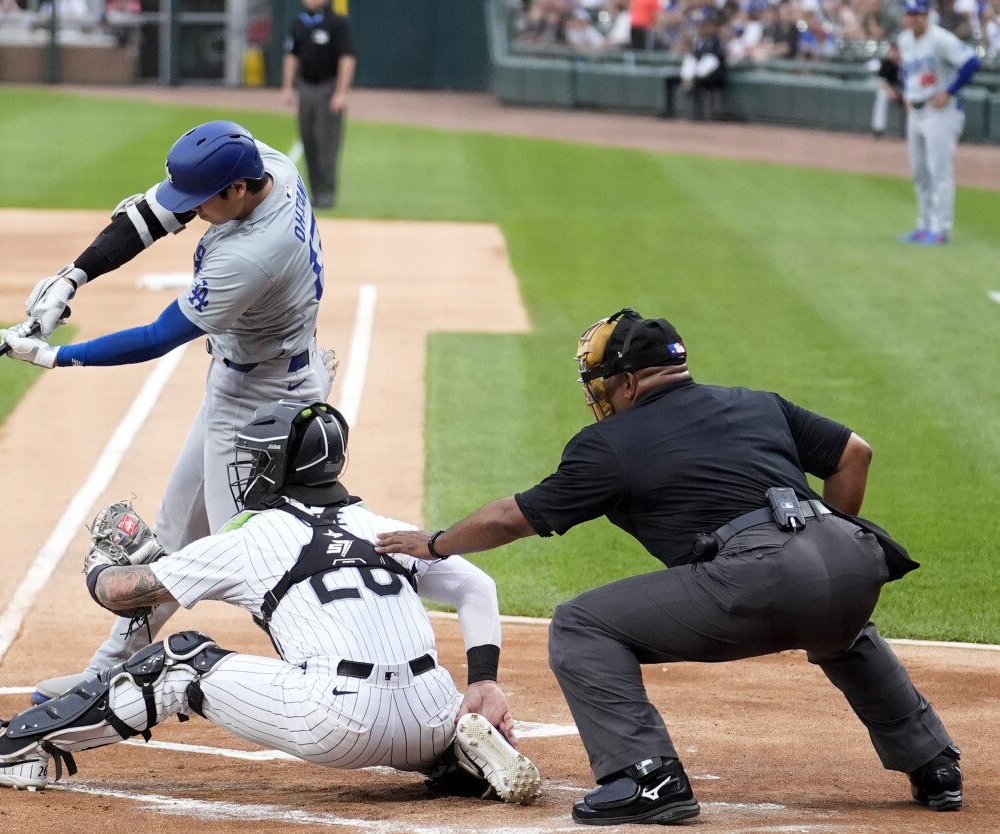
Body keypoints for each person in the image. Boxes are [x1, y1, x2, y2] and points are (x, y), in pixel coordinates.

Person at [376, 309, 963, 826]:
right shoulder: (758, 403)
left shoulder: (608, 444)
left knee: (582, 625)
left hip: (757, 572)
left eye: (602, 381)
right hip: (852, 555)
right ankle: (935, 765)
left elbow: (512, 518)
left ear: (629, 381)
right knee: (841, 628)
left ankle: (647, 777)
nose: (598, 393)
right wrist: (818, 543)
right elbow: (855, 452)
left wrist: (434, 543)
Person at [0, 401, 542, 805]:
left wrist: (104, 562)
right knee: (418, 711)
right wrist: (484, 678)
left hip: (336, 721)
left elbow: (119, 595)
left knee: (178, 660)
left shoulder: (252, 536)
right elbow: (475, 587)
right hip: (432, 715)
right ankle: (455, 759)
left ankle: (20, 751)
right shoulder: (384, 526)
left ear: (274, 466)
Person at [0, 120, 335, 702]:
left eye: (199, 202)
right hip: (250, 380)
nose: (188, 211)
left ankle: (339, 672)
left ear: (234, 192)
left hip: (266, 404)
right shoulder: (265, 163)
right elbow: (151, 216)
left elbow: (158, 336)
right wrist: (72, 276)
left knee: (254, 556)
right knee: (177, 540)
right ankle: (106, 674)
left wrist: (58, 356)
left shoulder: (255, 255)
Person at [895, 0, 981, 246]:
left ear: (927, 15)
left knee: (939, 172)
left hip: (941, 113)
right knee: (919, 173)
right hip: (917, 110)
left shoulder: (940, 38)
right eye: (910, 14)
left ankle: (940, 229)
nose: (914, 18)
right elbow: (907, 72)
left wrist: (950, 91)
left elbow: (973, 62)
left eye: (919, 14)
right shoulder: (904, 40)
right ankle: (923, 226)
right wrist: (907, 94)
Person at [281, 0, 355, 209]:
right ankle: (314, 193)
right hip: (306, 86)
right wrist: (288, 86)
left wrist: (341, 92)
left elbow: (347, 58)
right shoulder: (299, 23)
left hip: (328, 86)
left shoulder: (337, 23)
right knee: (308, 140)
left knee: (327, 142)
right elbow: (291, 55)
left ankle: (327, 194)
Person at [660, 14, 727, 119]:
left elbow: (715, 60)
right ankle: (669, 109)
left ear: (710, 26)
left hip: (713, 75)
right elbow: (692, 57)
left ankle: (699, 113)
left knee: (707, 61)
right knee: (673, 77)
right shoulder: (698, 40)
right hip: (694, 72)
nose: (701, 28)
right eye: (700, 25)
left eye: (704, 25)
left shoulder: (717, 40)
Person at [871, 42, 903, 139]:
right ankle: (878, 129)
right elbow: (882, 82)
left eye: (897, 51)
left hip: (905, 91)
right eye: (893, 51)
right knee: (882, 96)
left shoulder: (906, 62)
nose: (894, 53)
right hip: (890, 91)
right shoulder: (886, 63)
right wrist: (891, 92)